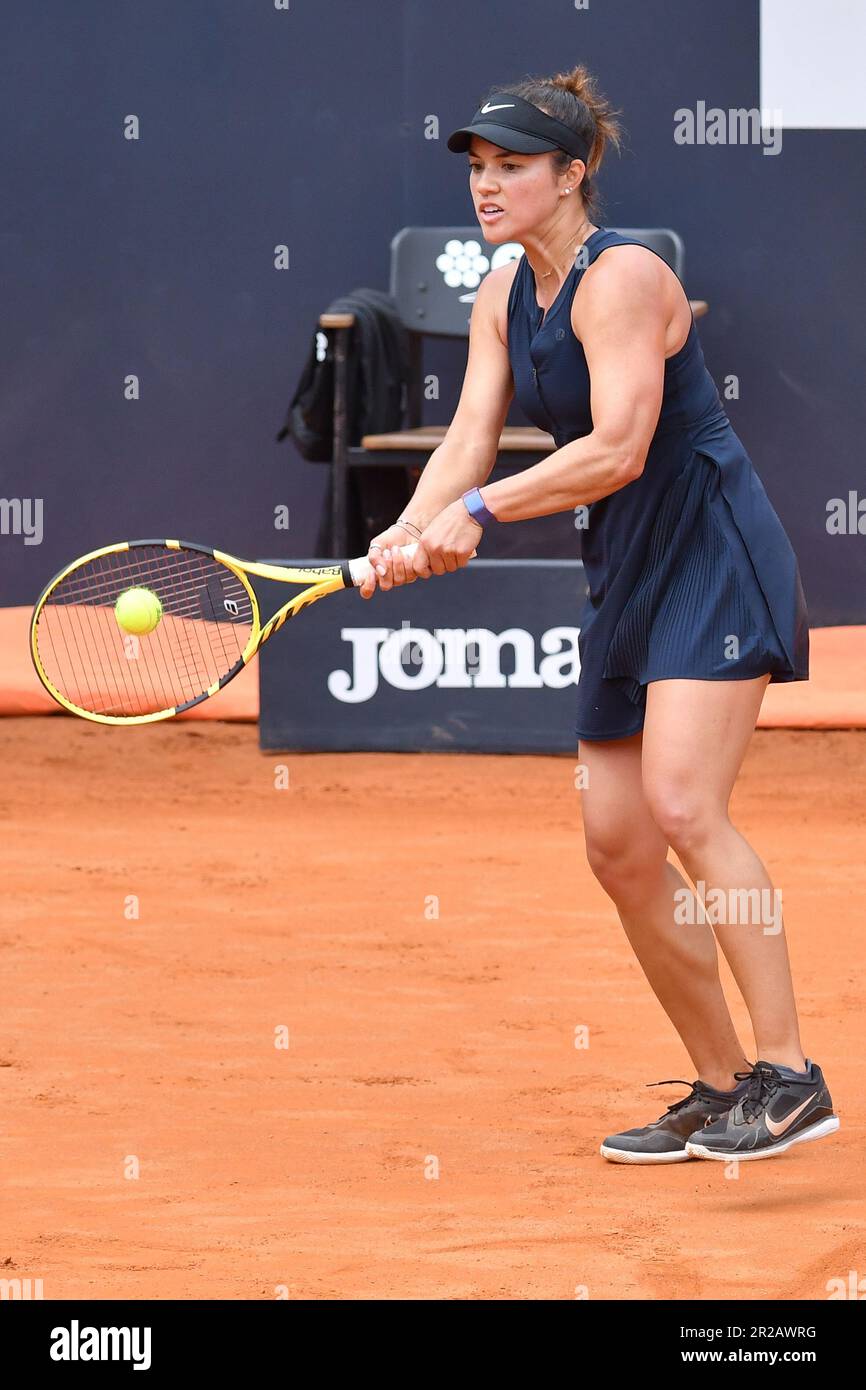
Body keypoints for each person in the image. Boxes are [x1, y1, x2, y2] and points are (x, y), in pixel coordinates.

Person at [358, 65, 838, 1163]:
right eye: (478, 169)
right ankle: (721, 1087)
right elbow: (465, 443)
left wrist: (476, 512)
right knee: (616, 844)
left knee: (680, 801)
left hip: (709, 551)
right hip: (625, 568)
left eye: (512, 168)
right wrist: (405, 529)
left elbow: (617, 448)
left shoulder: (622, 278)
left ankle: (791, 1072)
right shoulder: (499, 293)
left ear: (571, 175)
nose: (486, 188)